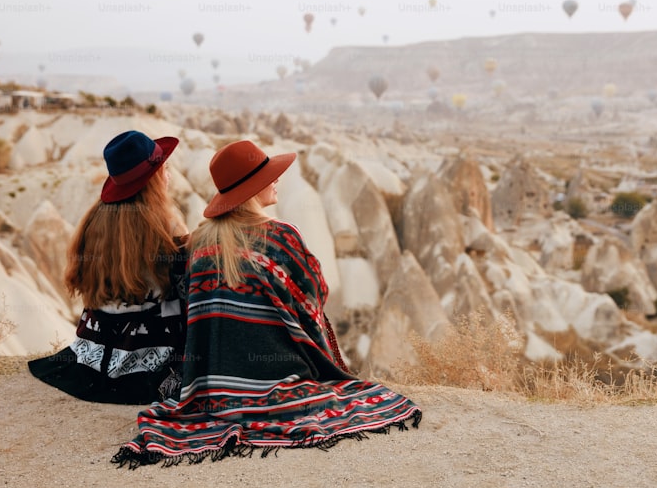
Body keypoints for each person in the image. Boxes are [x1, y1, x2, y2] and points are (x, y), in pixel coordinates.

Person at [113, 140, 421, 468]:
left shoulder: (200, 241)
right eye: (268, 176)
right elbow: (311, 301)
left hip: (212, 384)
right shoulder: (282, 237)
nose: (276, 180)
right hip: (281, 373)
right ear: (250, 188)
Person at [28, 130, 188, 405]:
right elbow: (187, 290)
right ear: (156, 177)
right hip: (148, 358)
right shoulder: (166, 226)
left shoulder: (95, 218)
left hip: (94, 351)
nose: (169, 174)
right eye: (165, 168)